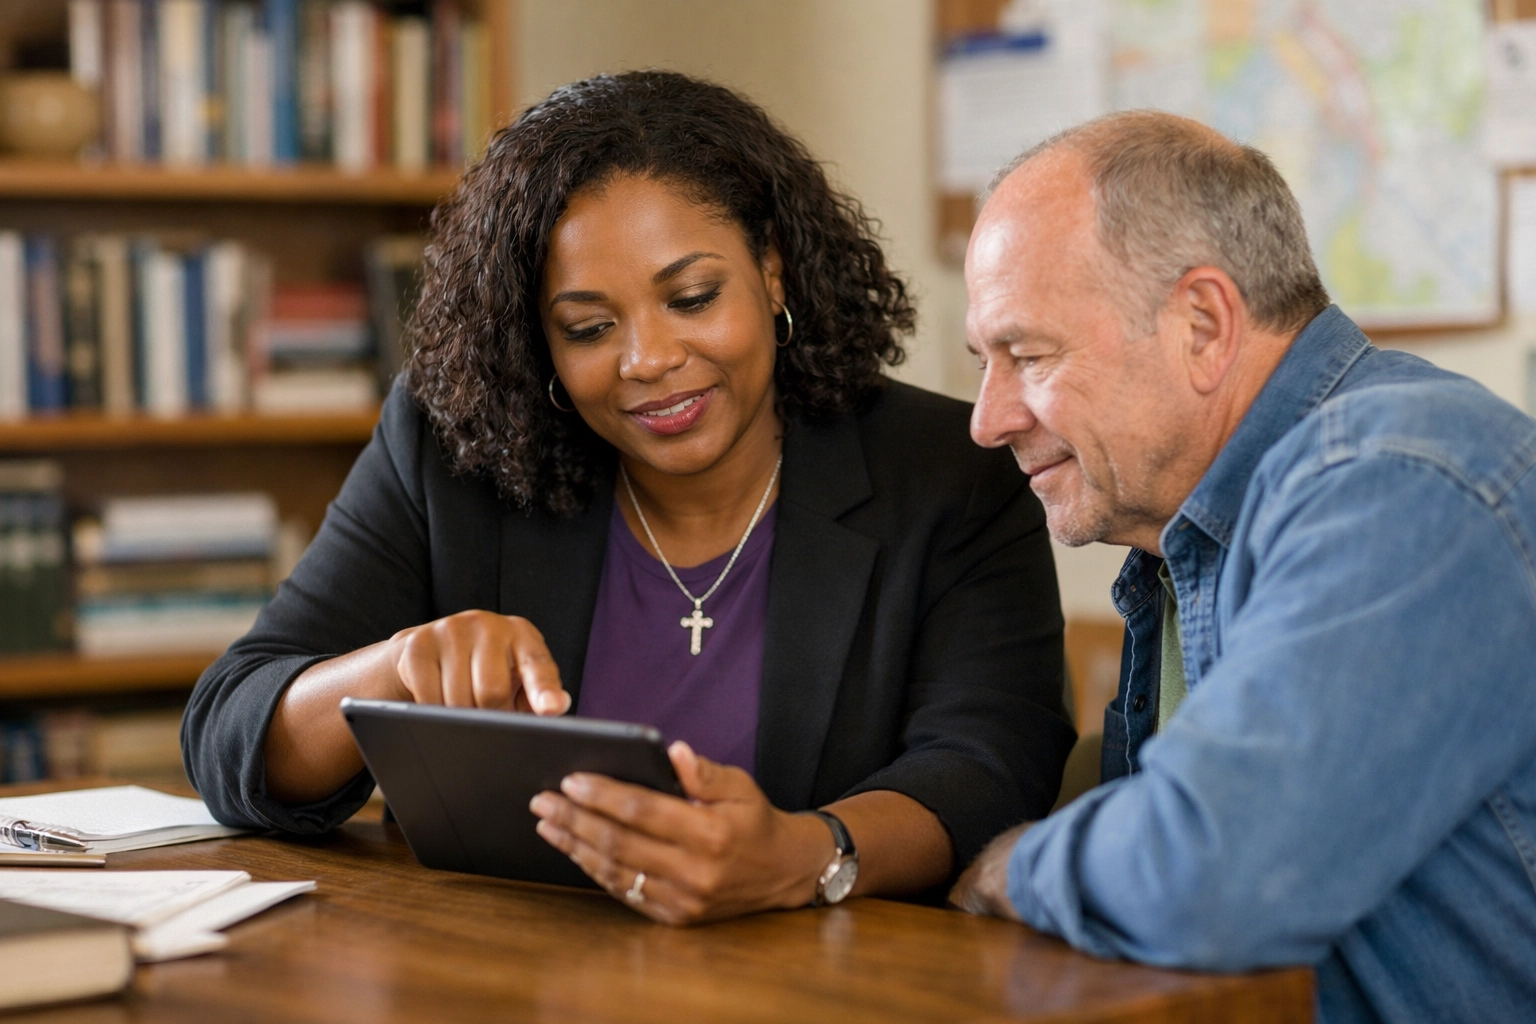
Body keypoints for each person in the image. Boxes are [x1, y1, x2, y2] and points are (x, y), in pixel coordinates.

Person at [182, 71, 1075, 925]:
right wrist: (392, 670)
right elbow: (229, 726)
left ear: (772, 271)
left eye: (691, 297)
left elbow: (991, 766)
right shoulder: (453, 450)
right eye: (589, 328)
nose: (646, 359)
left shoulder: (948, 472)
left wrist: (805, 855)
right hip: (506, 975)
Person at [948, 110, 1536, 1023]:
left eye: (1026, 355)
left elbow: (1214, 873)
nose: (987, 420)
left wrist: (1009, 865)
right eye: (985, 363)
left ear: (1204, 323)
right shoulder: (1178, 541)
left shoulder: (1398, 477)